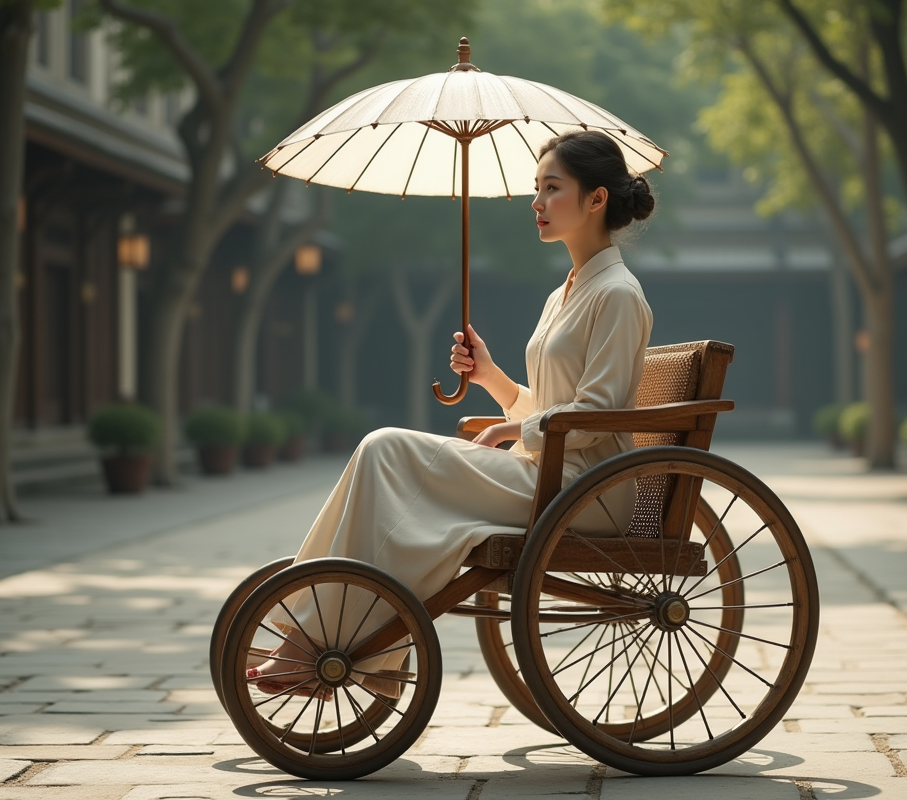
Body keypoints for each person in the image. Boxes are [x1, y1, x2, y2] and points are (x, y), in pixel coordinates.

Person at [246, 130, 656, 698]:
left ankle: (336, 641)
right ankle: (327, 634)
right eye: (536, 187)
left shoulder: (618, 294)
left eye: (552, 188)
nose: (536, 202)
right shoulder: (563, 294)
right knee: (382, 458)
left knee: (387, 448)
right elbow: (555, 408)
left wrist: (513, 428)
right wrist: (492, 379)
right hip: (545, 472)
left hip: (585, 490)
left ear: (596, 199)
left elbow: (597, 413)